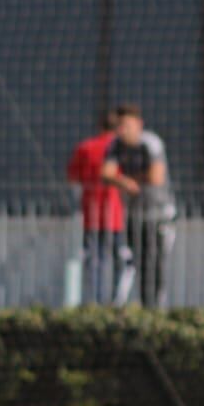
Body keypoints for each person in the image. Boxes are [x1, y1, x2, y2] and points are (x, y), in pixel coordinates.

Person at [104, 106, 175, 308]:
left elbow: (156, 177)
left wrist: (126, 179)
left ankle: (155, 307)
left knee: (155, 261)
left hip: (159, 213)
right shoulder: (116, 145)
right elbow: (106, 173)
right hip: (134, 213)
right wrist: (124, 182)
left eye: (126, 125)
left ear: (138, 125)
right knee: (138, 262)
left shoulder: (150, 143)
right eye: (119, 126)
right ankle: (146, 306)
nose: (122, 130)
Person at [66, 109, 128, 305]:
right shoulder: (122, 149)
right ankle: (117, 300)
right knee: (122, 260)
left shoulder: (85, 148)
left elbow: (73, 178)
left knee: (94, 259)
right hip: (116, 214)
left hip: (91, 213)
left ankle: (96, 300)